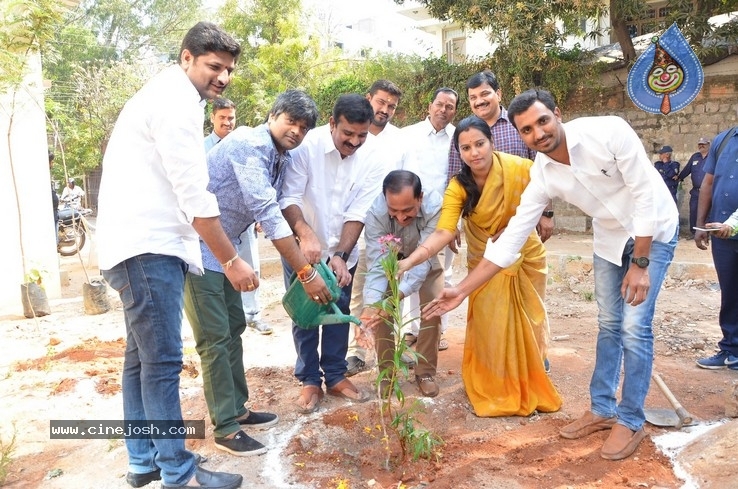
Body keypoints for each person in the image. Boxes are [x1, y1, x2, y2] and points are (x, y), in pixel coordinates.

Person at [422, 89, 679, 461]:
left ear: (557, 114)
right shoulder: (542, 173)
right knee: (609, 323)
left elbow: (644, 194)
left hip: (653, 233)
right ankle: (603, 409)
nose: (538, 133)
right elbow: (509, 241)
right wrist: (460, 290)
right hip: (609, 237)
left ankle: (631, 419)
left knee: (634, 328)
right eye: (527, 130)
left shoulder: (608, 131)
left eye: (543, 121)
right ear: (519, 135)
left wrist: (641, 264)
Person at [97, 22, 247, 489]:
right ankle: (180, 474)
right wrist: (232, 260)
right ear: (187, 58)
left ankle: (143, 463)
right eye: (213, 66)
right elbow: (195, 197)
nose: (222, 77)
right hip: (148, 248)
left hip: (133, 246)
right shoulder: (176, 103)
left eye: (228, 69)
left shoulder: (164, 95)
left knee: (140, 362)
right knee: (160, 364)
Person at [185, 90, 329, 456]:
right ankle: (226, 429)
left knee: (233, 329)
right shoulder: (249, 145)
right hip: (198, 248)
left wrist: (305, 235)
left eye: (303, 126)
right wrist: (305, 272)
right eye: (290, 121)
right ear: (272, 116)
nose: (296, 130)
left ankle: (237, 409)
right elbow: (267, 211)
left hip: (225, 247)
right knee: (214, 340)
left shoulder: (281, 155)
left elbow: (281, 204)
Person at [398, 115, 560, 416]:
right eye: (466, 148)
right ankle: (496, 383)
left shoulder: (520, 167)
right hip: (483, 262)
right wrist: (409, 260)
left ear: (492, 142)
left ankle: (530, 375)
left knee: (531, 319)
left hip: (526, 257)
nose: (475, 153)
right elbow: (444, 232)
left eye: (480, 144)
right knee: (490, 323)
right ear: (458, 153)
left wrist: (521, 223)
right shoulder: (458, 186)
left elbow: (548, 189)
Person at [280, 94, 386, 413]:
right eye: (347, 134)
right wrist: (305, 234)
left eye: (361, 135)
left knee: (338, 310)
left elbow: (359, 211)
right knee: (307, 314)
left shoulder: (374, 156)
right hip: (302, 250)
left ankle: (337, 375)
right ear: (332, 123)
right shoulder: (306, 146)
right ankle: (310, 378)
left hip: (343, 251)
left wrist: (340, 254)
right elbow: (290, 196)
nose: (354, 142)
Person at [447, 71, 554, 249]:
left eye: (484, 94)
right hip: (480, 228)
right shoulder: (463, 134)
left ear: (498, 94)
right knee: (482, 274)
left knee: (523, 271)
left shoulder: (520, 124)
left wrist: (546, 213)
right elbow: (454, 177)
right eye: (472, 97)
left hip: (522, 219)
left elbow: (542, 170)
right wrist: (452, 224)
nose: (478, 101)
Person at [361, 170, 445, 397]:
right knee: (381, 313)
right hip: (389, 259)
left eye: (408, 210)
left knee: (434, 306)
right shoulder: (376, 212)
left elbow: (424, 257)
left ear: (420, 198)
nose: (400, 217)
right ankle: (387, 373)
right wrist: (374, 305)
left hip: (423, 258)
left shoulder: (435, 205)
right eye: (394, 211)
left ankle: (425, 371)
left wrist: (401, 293)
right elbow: (378, 264)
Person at [345, 79, 403, 376]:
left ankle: (391, 351)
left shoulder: (398, 140)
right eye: (381, 102)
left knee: (392, 287)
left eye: (391, 106)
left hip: (389, 227)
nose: (385, 110)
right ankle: (356, 352)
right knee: (360, 288)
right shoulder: (355, 136)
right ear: (369, 99)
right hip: (357, 225)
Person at [397, 87, 459, 356]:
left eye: (450, 106)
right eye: (439, 104)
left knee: (441, 273)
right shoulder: (407, 135)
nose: (443, 110)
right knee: (411, 270)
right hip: (410, 215)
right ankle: (412, 330)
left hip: (446, 217)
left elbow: (461, 178)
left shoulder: (459, 137)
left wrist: (456, 220)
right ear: (429, 105)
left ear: (455, 110)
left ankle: (438, 329)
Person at [204, 98, 273, 334]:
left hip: (244, 227)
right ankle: (220, 318)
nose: (227, 122)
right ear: (212, 118)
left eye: (231, 117)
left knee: (250, 269)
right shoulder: (202, 148)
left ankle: (251, 315)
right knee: (221, 269)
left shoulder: (247, 145)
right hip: (212, 228)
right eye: (222, 117)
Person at [694, 125, 738, 370]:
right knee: (729, 292)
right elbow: (708, 183)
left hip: (730, 225)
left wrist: (732, 224)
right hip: (721, 234)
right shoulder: (724, 140)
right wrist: (701, 225)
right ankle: (731, 349)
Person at [678, 137, 710, 237]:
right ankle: (693, 232)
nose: (701, 146)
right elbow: (687, 169)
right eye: (699, 144)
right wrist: (679, 177)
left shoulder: (713, 157)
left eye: (703, 144)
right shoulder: (695, 157)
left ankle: (707, 233)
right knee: (693, 211)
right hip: (696, 191)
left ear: (709, 145)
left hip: (708, 191)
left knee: (708, 212)